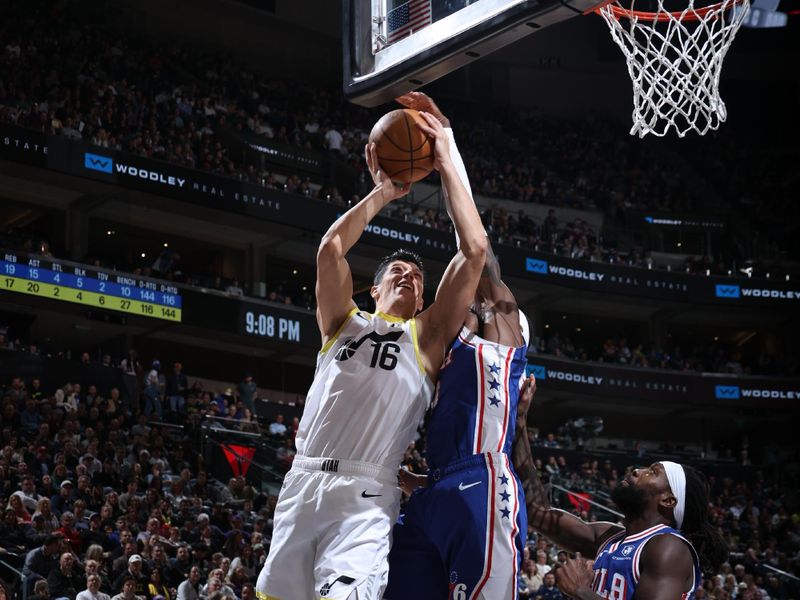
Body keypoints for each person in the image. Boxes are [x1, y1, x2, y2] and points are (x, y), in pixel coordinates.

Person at [255, 111, 487, 600]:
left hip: (365, 495)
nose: (408, 276)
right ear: (374, 288)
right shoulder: (343, 322)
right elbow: (330, 249)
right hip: (302, 482)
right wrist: (383, 191)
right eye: (397, 271)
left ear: (423, 299)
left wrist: (445, 164)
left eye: (417, 277)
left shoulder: (427, 336)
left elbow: (474, 251)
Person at [385, 92, 529, 599]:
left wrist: (447, 150)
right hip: (437, 489)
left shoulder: (499, 324)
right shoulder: (443, 349)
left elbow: (476, 246)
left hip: (483, 485)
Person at [514, 398, 729, 600]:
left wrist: (580, 591)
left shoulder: (669, 547)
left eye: (652, 472)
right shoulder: (609, 537)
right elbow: (537, 513)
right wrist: (520, 425)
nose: (637, 471)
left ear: (668, 501)